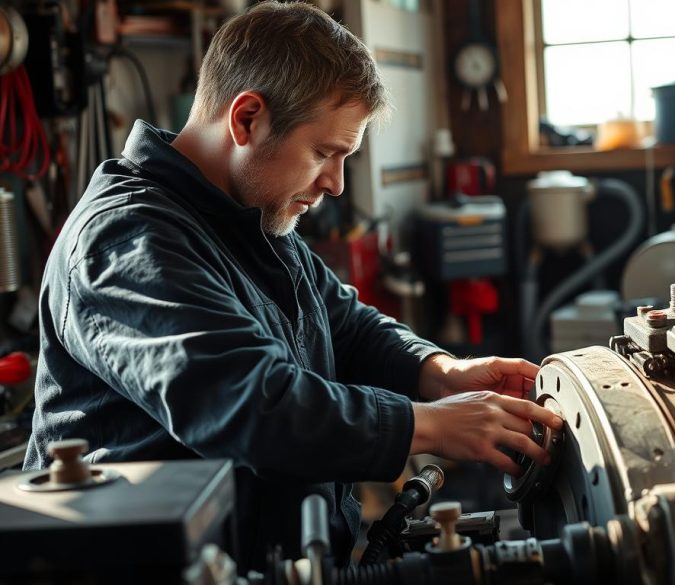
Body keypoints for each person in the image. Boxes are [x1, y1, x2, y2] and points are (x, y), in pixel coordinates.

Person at [24, 0, 562, 570]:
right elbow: (248, 403)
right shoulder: (126, 239)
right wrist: (427, 425)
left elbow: (345, 324)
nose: (334, 183)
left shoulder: (247, 212)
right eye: (324, 153)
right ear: (247, 118)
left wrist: (440, 371)